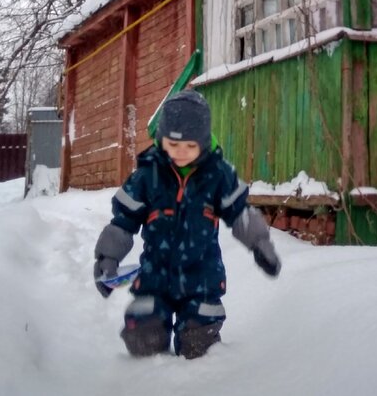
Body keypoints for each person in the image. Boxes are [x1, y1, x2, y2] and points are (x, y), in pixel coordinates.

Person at [92, 89, 281, 358]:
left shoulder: (218, 176)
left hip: (202, 278)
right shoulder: (148, 176)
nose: (181, 153)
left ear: (203, 143)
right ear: (161, 140)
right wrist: (107, 258)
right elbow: (123, 222)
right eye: (173, 144)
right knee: (142, 339)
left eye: (190, 146)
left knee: (199, 347)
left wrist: (261, 244)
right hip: (155, 276)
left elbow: (241, 214)